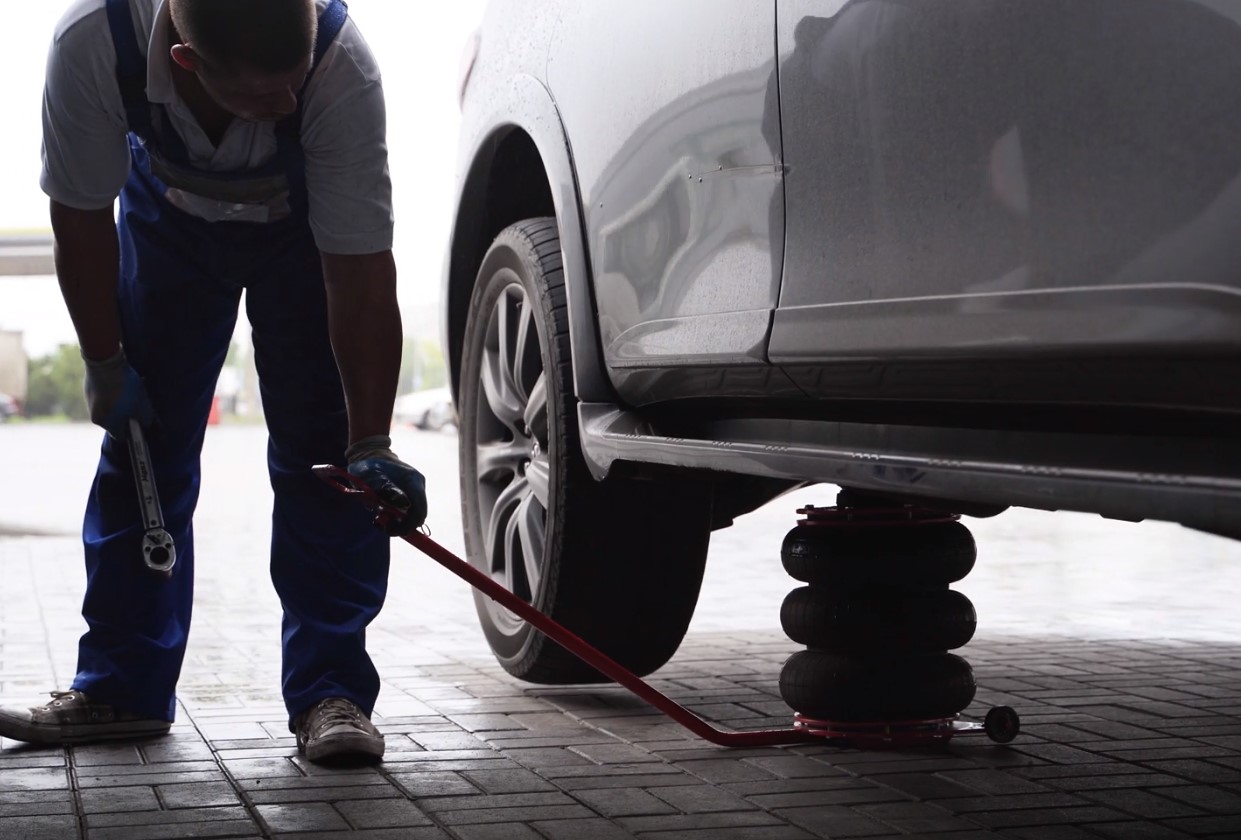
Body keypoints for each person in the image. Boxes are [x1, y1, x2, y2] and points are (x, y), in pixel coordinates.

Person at [0, 0, 425, 764]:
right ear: (188, 62)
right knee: (143, 449)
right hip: (168, 231)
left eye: (292, 86)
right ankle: (121, 688)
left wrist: (372, 438)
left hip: (304, 241)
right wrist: (104, 363)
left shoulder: (337, 67)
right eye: (265, 96)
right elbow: (81, 217)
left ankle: (333, 694)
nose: (286, 106)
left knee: (326, 462)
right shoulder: (93, 42)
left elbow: (362, 277)